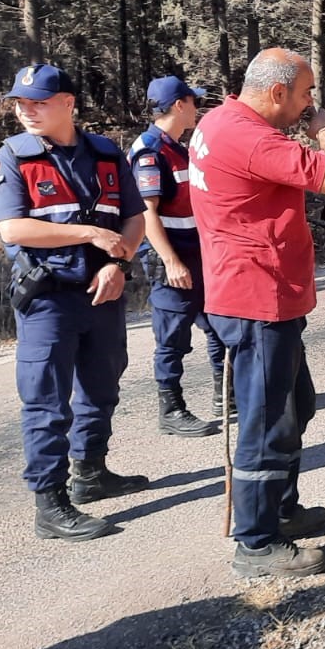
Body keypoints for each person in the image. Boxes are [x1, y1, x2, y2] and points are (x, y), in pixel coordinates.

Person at [189, 47, 325, 578]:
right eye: (305, 96)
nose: (308, 106)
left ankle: (282, 510)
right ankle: (256, 542)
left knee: (295, 406)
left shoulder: (222, 121)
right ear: (276, 92)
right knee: (266, 420)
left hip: (268, 292)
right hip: (257, 298)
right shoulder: (248, 136)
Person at [0, 63, 148, 542]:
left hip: (102, 292)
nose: (27, 110)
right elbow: (13, 228)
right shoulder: (14, 156)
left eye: (38, 101)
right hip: (48, 299)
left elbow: (135, 217)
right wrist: (90, 233)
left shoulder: (103, 152)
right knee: (46, 402)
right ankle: (50, 502)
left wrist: (118, 266)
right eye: (20, 103)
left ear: (67, 103)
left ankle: (92, 473)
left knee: (102, 386)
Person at [130, 76, 224, 438]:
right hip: (173, 255)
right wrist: (170, 261)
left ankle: (225, 395)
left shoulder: (177, 146)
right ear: (180, 105)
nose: (198, 108)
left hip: (196, 251)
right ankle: (171, 410)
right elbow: (146, 212)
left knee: (217, 323)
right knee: (172, 335)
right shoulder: (151, 150)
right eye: (194, 101)